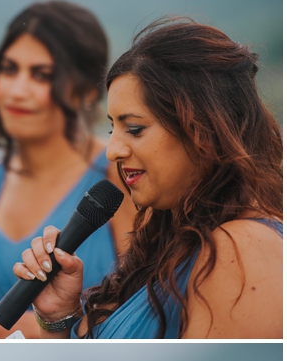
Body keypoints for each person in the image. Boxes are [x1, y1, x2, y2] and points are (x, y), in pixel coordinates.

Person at [16, 19, 282, 338]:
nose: (112, 150)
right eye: (112, 129)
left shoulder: (242, 252)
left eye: (135, 129)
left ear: (203, 129)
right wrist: (60, 315)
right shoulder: (173, 241)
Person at [0, 1, 136, 337]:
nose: (17, 91)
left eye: (41, 75)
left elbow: (146, 311)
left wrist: (40, 328)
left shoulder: (117, 175)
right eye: (8, 69)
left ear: (83, 89)